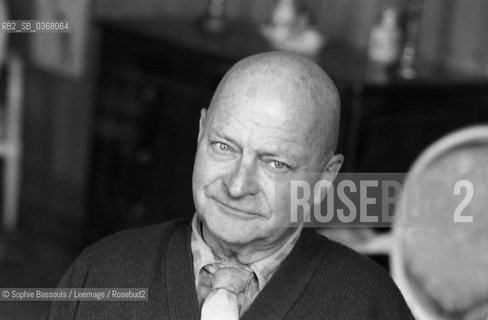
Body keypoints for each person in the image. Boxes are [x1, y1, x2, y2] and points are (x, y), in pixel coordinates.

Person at [45, 52, 414, 319]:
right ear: (200, 133)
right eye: (223, 146)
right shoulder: (101, 272)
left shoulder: (370, 305)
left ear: (325, 178)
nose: (238, 186)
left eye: (275, 163)